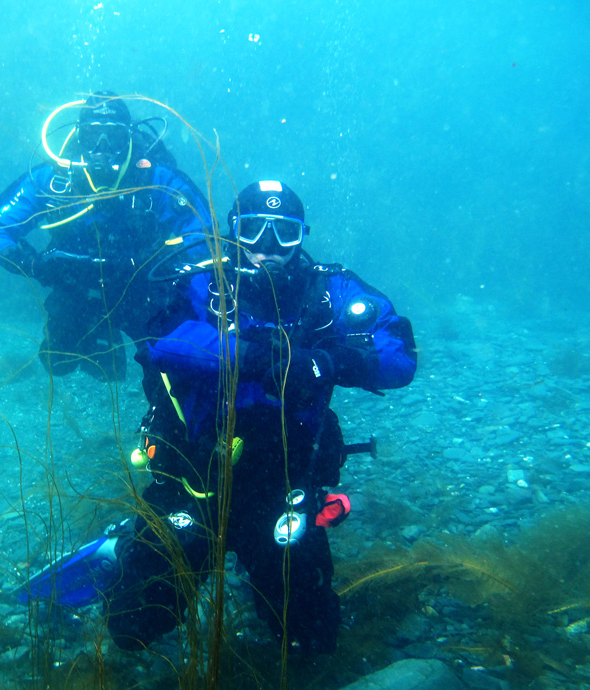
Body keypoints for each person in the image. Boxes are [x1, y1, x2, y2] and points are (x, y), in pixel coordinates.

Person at [101, 180, 418, 653]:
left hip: (281, 483)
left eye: (284, 234)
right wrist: (249, 357)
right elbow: (158, 340)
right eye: (253, 231)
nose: (268, 248)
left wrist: (329, 362)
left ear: (302, 235)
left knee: (311, 642)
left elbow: (400, 354)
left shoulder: (329, 291)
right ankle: (123, 545)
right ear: (233, 230)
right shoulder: (198, 280)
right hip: (193, 477)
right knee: (130, 624)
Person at [0, 91, 212, 380]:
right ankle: (99, 333)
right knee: (57, 361)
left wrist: (172, 267)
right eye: (92, 137)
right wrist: (33, 265)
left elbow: (204, 235)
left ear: (128, 139)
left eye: (112, 137)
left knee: (171, 363)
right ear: (78, 138)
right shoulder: (54, 181)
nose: (102, 148)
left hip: (145, 289)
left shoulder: (155, 180)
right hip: (76, 287)